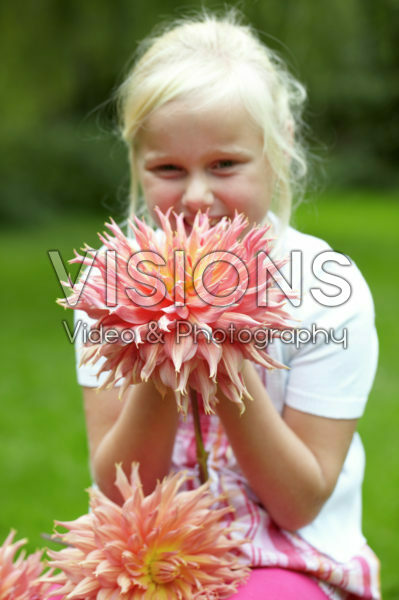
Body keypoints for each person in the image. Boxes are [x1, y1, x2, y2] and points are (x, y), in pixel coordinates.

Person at [74, 11, 380, 599]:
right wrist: (165, 348)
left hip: (291, 559)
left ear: (279, 148)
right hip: (147, 554)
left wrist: (227, 352)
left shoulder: (325, 292)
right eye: (167, 169)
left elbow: (297, 504)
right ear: (136, 163)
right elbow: (118, 492)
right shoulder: (109, 286)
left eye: (224, 165)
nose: (195, 197)